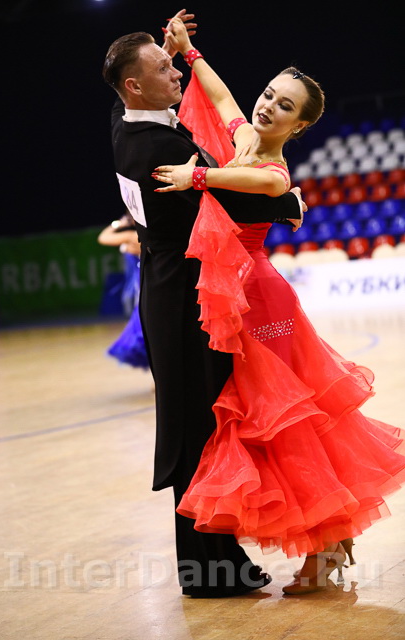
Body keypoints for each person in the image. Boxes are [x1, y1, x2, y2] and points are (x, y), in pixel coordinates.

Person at [150, 18, 405, 595]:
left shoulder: (273, 173)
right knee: (270, 427)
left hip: (262, 305)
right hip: (233, 301)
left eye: (284, 106)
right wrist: (190, 53)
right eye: (268, 94)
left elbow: (246, 185)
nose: (267, 107)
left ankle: (325, 544)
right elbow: (222, 98)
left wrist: (196, 175)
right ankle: (330, 540)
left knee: (289, 427)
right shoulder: (243, 138)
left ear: (301, 125)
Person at [102, 9, 309, 598]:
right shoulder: (159, 147)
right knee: (198, 429)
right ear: (134, 86)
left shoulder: (126, 123)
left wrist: (178, 53)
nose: (174, 75)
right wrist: (288, 204)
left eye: (171, 66)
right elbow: (232, 201)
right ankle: (208, 570)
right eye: (162, 70)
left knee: (199, 424)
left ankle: (218, 558)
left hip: (170, 286)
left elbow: (215, 103)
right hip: (185, 298)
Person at [98, 212, 149, 370]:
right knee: (149, 336)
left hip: (145, 290)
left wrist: (119, 223)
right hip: (143, 290)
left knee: (147, 336)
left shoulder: (132, 236)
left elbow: (103, 237)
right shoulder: (143, 236)